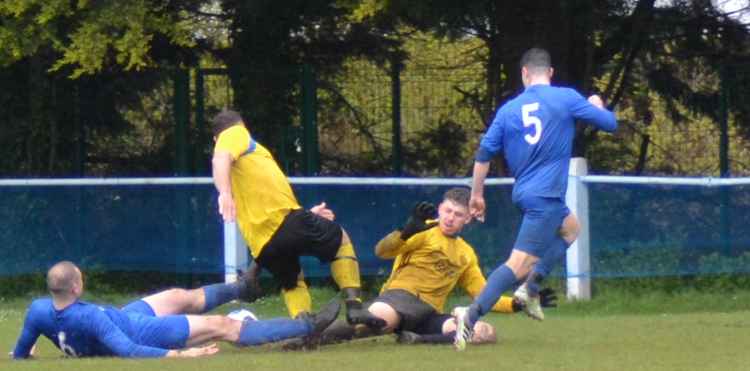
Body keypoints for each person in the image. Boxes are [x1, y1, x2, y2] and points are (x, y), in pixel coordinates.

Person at [452, 47, 617, 350]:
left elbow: (483, 155)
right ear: (550, 73)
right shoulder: (566, 97)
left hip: (528, 194)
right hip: (544, 198)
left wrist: (477, 195)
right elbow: (610, 124)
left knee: (571, 229)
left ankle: (531, 288)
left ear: (524, 73)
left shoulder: (508, 109)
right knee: (517, 263)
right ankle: (470, 315)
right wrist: (597, 103)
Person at [282, 187, 557, 349]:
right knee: (372, 323)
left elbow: (482, 293)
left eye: (458, 215)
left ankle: (418, 339)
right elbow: (382, 251)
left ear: (466, 221)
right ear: (439, 209)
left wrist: (518, 304)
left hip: (429, 313)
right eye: (447, 211)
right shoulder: (422, 230)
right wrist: (406, 231)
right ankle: (306, 336)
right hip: (399, 298)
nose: (450, 218)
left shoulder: (465, 254)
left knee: (485, 332)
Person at [211, 109, 383, 328]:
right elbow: (220, 158)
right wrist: (224, 194)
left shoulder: (244, 162)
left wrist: (307, 214)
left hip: (262, 245)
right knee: (341, 240)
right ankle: (355, 307)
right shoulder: (234, 133)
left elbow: (262, 196)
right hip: (284, 221)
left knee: (292, 280)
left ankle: (304, 327)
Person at [11, 261, 341, 359]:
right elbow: (127, 349)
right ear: (76, 287)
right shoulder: (91, 316)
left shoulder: (39, 310)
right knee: (222, 325)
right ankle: (307, 325)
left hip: (125, 315)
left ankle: (243, 289)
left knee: (177, 295)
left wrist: (26, 355)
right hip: (135, 329)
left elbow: (20, 353)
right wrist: (177, 356)